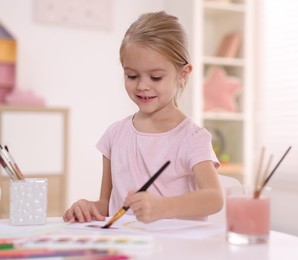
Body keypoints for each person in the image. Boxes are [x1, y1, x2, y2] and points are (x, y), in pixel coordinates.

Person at [63, 11, 223, 224]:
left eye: (155, 77)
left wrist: (162, 207)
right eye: (132, 76)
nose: (142, 86)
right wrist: (88, 207)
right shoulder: (114, 135)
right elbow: (107, 204)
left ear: (183, 74)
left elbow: (214, 198)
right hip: (127, 249)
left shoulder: (192, 138)